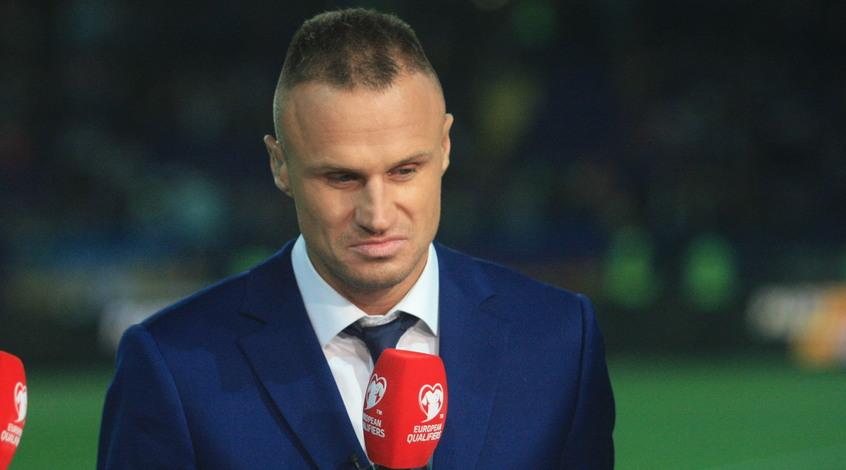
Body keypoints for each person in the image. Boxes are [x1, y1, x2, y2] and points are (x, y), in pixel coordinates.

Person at [97, 8, 614, 469]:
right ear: (280, 164)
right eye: (342, 178)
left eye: (405, 170)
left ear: (445, 146)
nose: (377, 215)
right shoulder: (171, 365)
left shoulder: (561, 341)